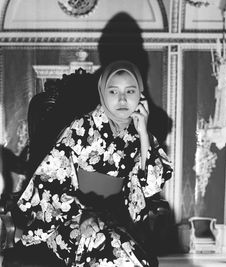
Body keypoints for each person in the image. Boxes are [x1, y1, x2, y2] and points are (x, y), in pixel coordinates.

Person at [16, 60, 173, 267]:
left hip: (115, 219)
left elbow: (150, 187)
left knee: (122, 248)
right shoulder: (81, 127)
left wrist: (144, 134)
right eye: (114, 92)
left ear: (140, 96)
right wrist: (83, 214)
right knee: (109, 246)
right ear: (103, 92)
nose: (123, 99)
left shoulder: (141, 137)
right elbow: (49, 182)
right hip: (69, 220)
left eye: (130, 91)